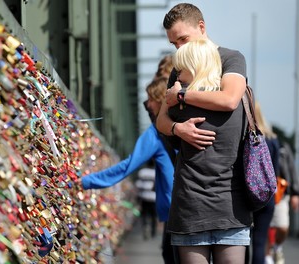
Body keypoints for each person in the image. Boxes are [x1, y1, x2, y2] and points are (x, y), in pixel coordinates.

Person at [156, 9, 252, 262]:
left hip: (230, 202)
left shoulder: (230, 59)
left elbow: (229, 99)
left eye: (182, 40)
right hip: (190, 202)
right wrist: (178, 129)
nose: (178, 48)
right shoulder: (179, 70)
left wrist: (181, 95)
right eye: (174, 43)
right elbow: (162, 121)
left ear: (201, 27)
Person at [77, 75, 177, 264]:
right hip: (194, 205)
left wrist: (87, 180)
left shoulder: (156, 132)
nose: (147, 104)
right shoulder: (182, 126)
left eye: (150, 99)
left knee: (171, 255)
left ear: (160, 100)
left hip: (174, 211)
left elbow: (128, 166)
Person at [247, 102, 280, 264]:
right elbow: (276, 173)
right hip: (267, 196)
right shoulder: (272, 139)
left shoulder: (244, 137)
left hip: (246, 196)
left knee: (242, 242)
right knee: (259, 243)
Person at [266, 139, 299, 264]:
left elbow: (291, 169)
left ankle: (277, 247)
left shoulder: (283, 146)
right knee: (266, 227)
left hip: (281, 192)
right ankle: (267, 255)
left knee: (282, 226)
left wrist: (295, 193)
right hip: (264, 193)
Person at [135, 167, 157, 240]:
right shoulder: (156, 171)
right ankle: (153, 232)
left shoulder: (142, 172)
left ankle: (145, 226)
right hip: (154, 198)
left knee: (144, 215)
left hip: (144, 197)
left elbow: (138, 185)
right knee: (154, 216)